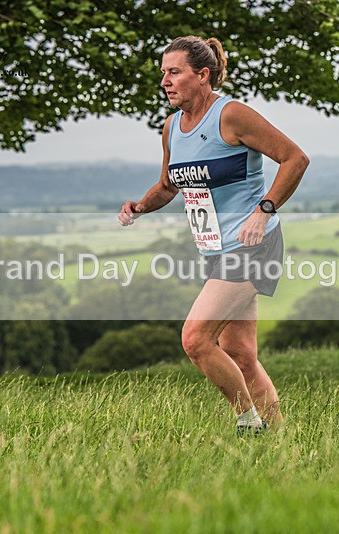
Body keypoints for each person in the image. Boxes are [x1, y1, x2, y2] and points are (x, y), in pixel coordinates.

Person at [118, 36, 309, 435]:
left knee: (195, 339)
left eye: (174, 72)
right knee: (239, 353)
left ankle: (248, 424)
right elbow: (169, 185)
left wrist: (265, 209)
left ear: (202, 75)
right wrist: (139, 205)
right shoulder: (172, 127)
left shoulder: (231, 115)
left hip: (253, 245)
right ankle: (277, 437)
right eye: (163, 74)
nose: (165, 82)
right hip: (216, 250)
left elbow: (295, 159)